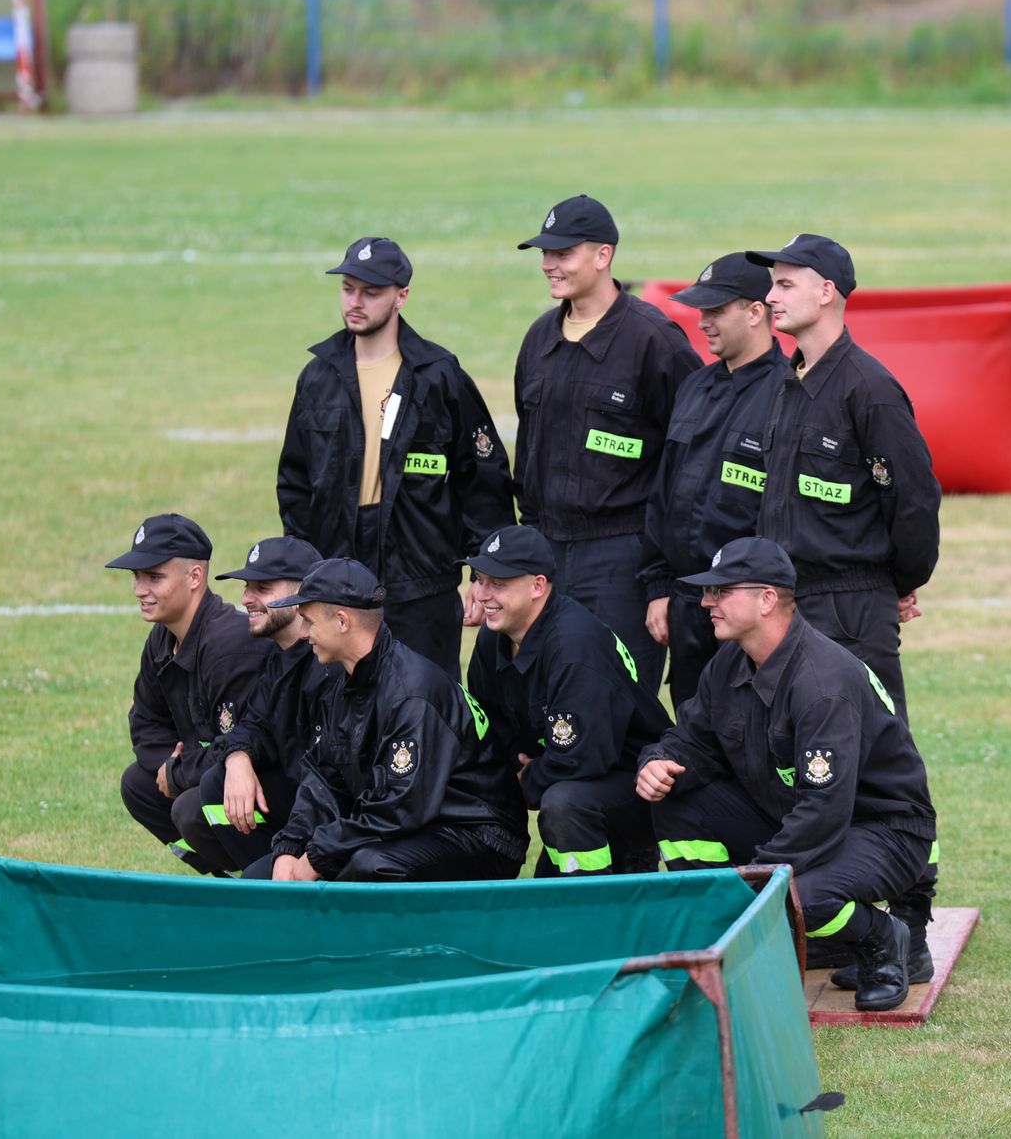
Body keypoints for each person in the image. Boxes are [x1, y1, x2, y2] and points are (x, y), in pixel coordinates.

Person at [635, 537, 939, 1013]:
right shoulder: (729, 662)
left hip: (883, 831)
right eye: (709, 591)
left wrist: (756, 882)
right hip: (796, 816)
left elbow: (824, 812)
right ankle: (726, 938)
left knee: (797, 896)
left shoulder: (822, 683)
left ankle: (881, 938)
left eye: (721, 591)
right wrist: (656, 762)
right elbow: (691, 740)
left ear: (766, 599)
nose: (707, 602)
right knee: (675, 797)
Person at [278, 236, 514, 679]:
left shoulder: (438, 375)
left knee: (424, 699)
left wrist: (488, 576)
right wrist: (303, 570)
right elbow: (295, 482)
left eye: (371, 292)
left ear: (401, 296)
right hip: (338, 577)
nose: (356, 302)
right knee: (338, 701)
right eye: (348, 289)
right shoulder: (317, 377)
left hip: (421, 579)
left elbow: (483, 478)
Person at [511, 194, 701, 705]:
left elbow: (688, 462)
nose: (549, 264)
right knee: (547, 700)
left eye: (563, 253)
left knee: (620, 704)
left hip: (623, 559)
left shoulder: (654, 340)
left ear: (603, 255)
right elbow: (527, 453)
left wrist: (662, 578)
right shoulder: (538, 339)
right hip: (546, 556)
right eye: (545, 253)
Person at [745, 234, 940, 721]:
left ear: (826, 292)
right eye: (773, 285)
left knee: (871, 749)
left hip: (850, 608)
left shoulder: (869, 388)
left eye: (785, 285)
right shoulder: (789, 382)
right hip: (787, 603)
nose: (770, 296)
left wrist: (895, 584)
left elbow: (913, 499)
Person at [263, 558, 527, 883]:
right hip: (417, 825)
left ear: (342, 621)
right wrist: (290, 847)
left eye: (308, 621)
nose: (303, 634)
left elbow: (401, 807)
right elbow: (323, 779)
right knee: (261, 876)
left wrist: (318, 855)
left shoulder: (411, 694)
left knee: (370, 865)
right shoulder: (343, 682)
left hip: (479, 835)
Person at [463, 525, 671, 876]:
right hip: (570, 777)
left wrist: (527, 781)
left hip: (636, 784)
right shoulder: (493, 637)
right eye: (479, 580)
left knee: (562, 805)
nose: (482, 595)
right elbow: (491, 722)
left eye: (497, 583)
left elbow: (581, 759)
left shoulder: (574, 646)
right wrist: (511, 773)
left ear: (537, 586)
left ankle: (605, 884)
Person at [640, 253, 791, 703]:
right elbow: (663, 495)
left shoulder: (789, 395)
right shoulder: (694, 387)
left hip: (751, 608)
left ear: (755, 311)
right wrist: (659, 588)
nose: (703, 322)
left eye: (716, 311)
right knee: (693, 726)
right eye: (701, 310)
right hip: (689, 602)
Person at [110, 514, 272, 875]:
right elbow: (145, 725)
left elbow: (244, 747)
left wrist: (178, 772)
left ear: (195, 577)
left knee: (192, 807)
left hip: (264, 788)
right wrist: (169, 769)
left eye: (154, 577)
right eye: (137, 576)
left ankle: (264, 874)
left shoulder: (231, 645)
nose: (139, 589)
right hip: (206, 773)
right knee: (138, 786)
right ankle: (219, 878)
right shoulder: (161, 639)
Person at [179, 535, 339, 876]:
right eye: (247, 587)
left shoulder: (330, 665)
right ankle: (275, 878)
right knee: (215, 784)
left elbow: (331, 781)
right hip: (304, 804)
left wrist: (295, 849)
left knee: (255, 881)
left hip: (336, 818)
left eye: (262, 588)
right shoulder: (280, 656)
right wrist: (238, 758)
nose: (246, 599)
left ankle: (288, 880)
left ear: (303, 593)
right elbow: (252, 724)